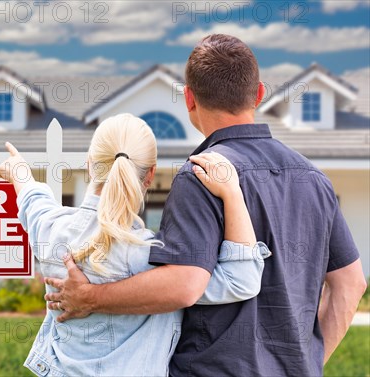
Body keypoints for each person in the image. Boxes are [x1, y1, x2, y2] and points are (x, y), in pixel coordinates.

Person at [43, 34, 367, 376]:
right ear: (258, 94)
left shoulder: (199, 174)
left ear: (188, 98)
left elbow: (183, 285)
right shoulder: (314, 180)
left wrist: (91, 297)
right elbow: (351, 283)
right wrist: (306, 364)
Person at [0, 113, 271, 376]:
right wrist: (233, 194)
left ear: (89, 164)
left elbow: (34, 202)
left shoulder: (51, 229)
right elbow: (240, 280)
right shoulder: (152, 258)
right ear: (150, 175)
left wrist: (20, 173)